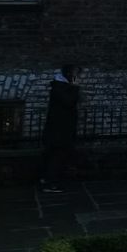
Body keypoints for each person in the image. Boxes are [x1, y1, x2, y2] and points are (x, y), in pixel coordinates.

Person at [40, 64, 80, 192]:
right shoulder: (60, 87)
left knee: (56, 155)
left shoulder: (60, 86)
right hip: (58, 130)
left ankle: (49, 179)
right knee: (56, 156)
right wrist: (75, 87)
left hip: (60, 129)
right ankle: (50, 183)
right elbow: (69, 102)